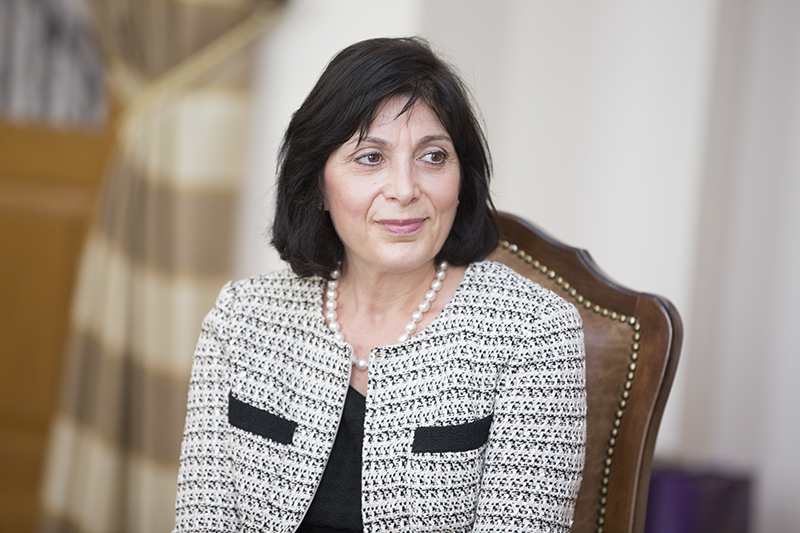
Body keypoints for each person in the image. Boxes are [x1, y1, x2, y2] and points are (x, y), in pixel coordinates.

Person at [174, 37, 586, 533]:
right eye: (371, 157)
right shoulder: (241, 317)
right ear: (317, 185)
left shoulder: (534, 332)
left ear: (462, 177)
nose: (406, 190)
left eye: (433, 156)